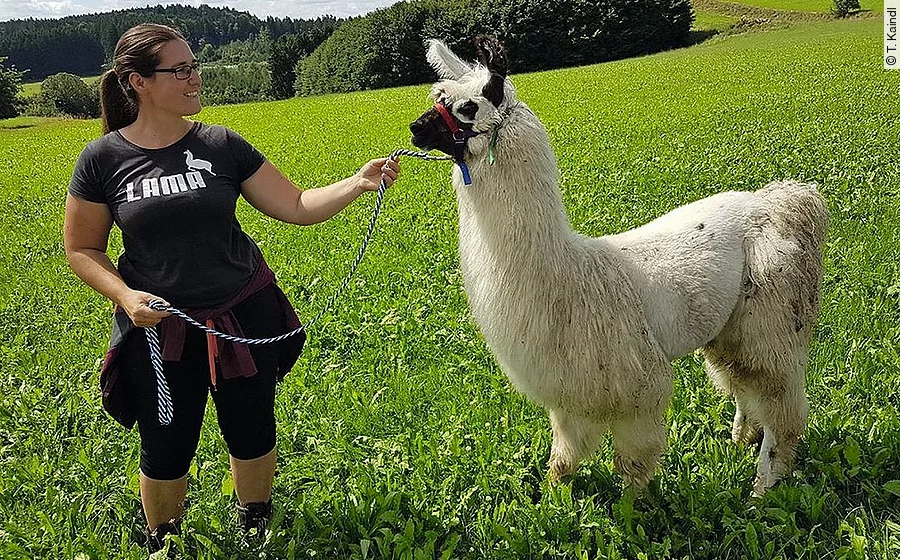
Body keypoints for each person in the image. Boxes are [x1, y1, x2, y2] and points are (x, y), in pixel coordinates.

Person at [63, 23, 400, 553]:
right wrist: (124, 297)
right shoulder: (102, 160)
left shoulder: (221, 144)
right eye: (181, 70)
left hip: (240, 317)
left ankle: (255, 521)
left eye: (194, 66)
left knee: (251, 427)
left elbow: (294, 205)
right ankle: (164, 540)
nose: (195, 78)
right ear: (138, 82)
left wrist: (358, 182)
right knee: (166, 443)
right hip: (160, 328)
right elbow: (83, 249)